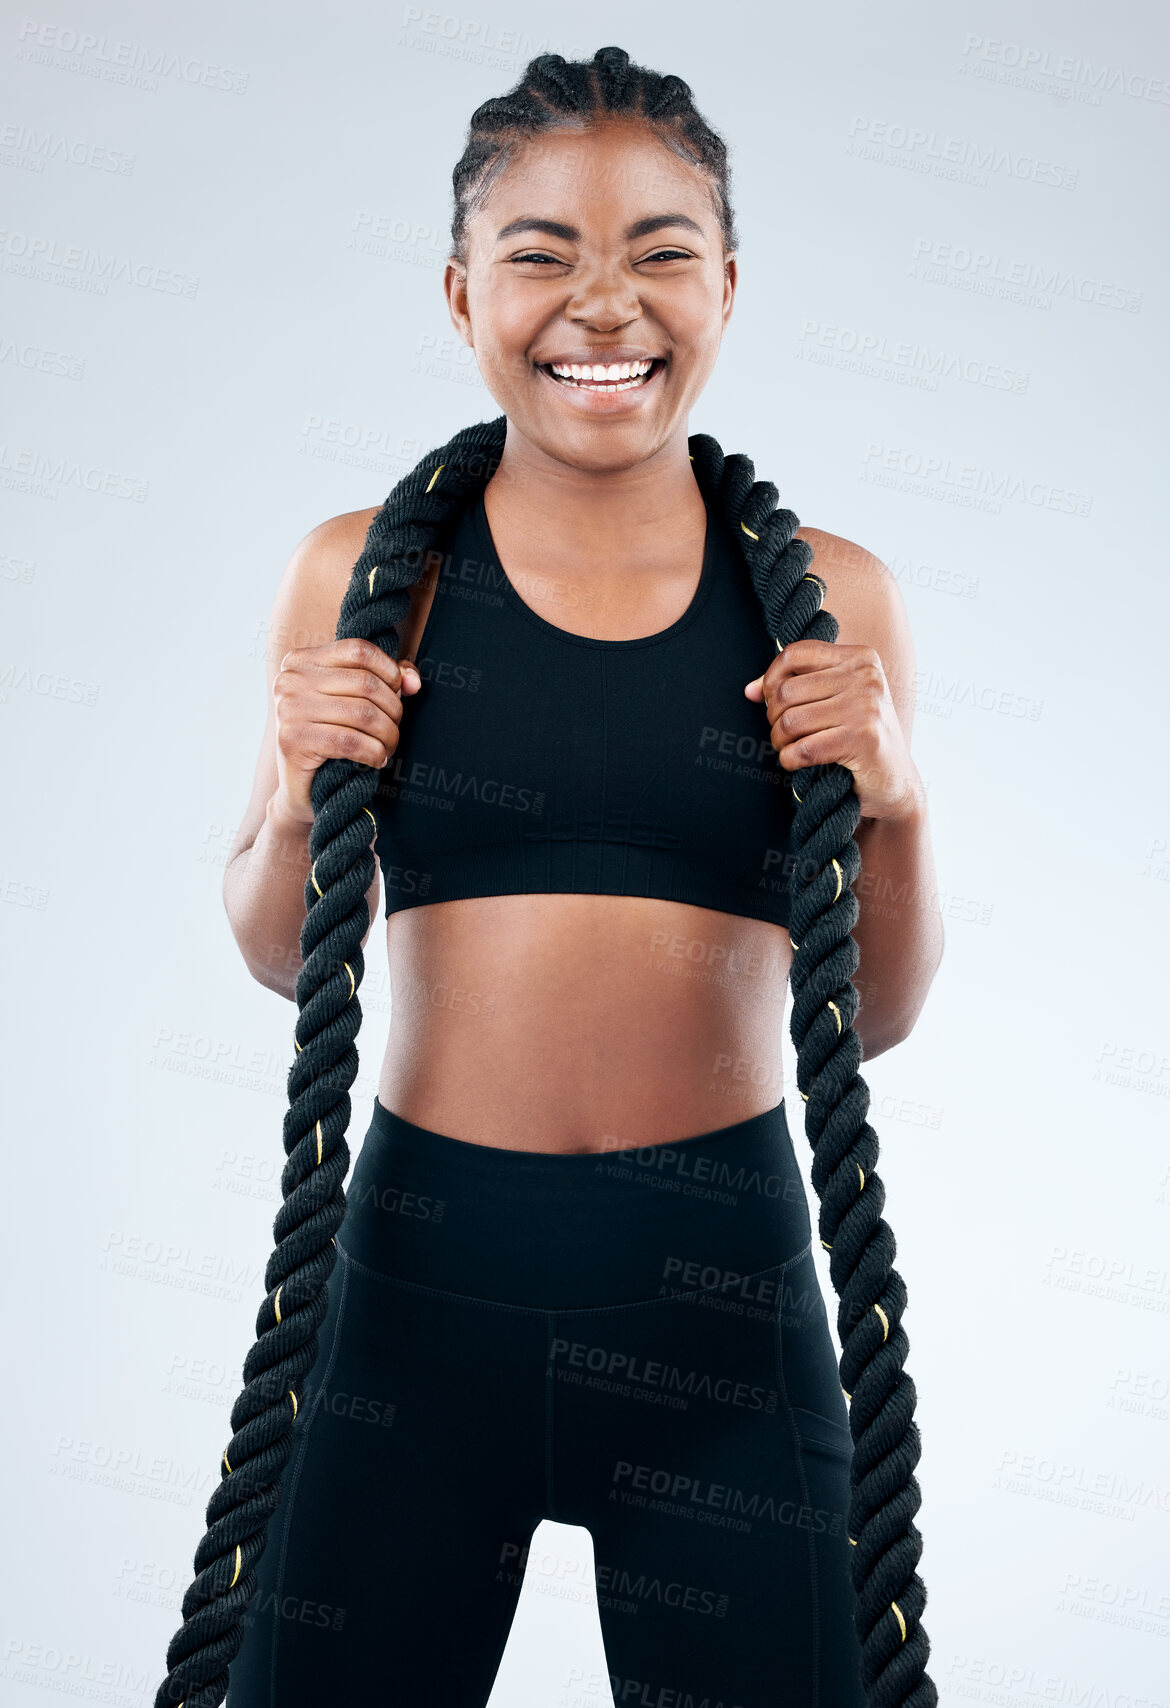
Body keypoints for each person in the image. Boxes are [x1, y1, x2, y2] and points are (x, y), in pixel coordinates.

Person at [154, 45, 945, 1708]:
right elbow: (267, 950)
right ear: (460, 294)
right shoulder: (368, 571)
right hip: (419, 1299)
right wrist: (302, 802)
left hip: (720, 1303)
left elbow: (866, 1019)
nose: (606, 305)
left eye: (660, 250)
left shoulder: (831, 602)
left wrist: (899, 803)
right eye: (541, 254)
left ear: (726, 283)